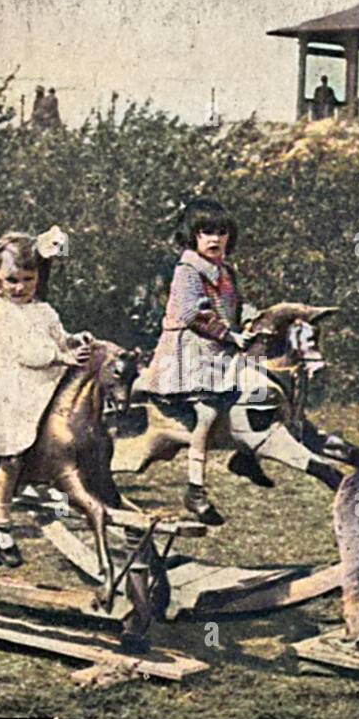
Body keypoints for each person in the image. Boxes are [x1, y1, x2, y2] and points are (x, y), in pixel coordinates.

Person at [0, 232, 94, 566]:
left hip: (38, 382)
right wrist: (61, 357)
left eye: (27, 279)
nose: (19, 287)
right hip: (7, 390)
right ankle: (1, 521)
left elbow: (57, 336)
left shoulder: (43, 309)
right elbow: (27, 352)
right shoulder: (0, 311)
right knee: (13, 455)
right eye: (11, 280)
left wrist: (73, 341)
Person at [144, 198, 258, 525]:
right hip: (189, 352)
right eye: (206, 231)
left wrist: (251, 318)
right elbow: (193, 314)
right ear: (192, 235)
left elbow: (236, 303)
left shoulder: (225, 271)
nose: (214, 239)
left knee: (259, 388)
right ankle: (195, 488)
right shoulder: (188, 271)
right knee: (206, 412)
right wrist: (231, 335)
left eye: (221, 232)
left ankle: (247, 455)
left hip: (219, 348)